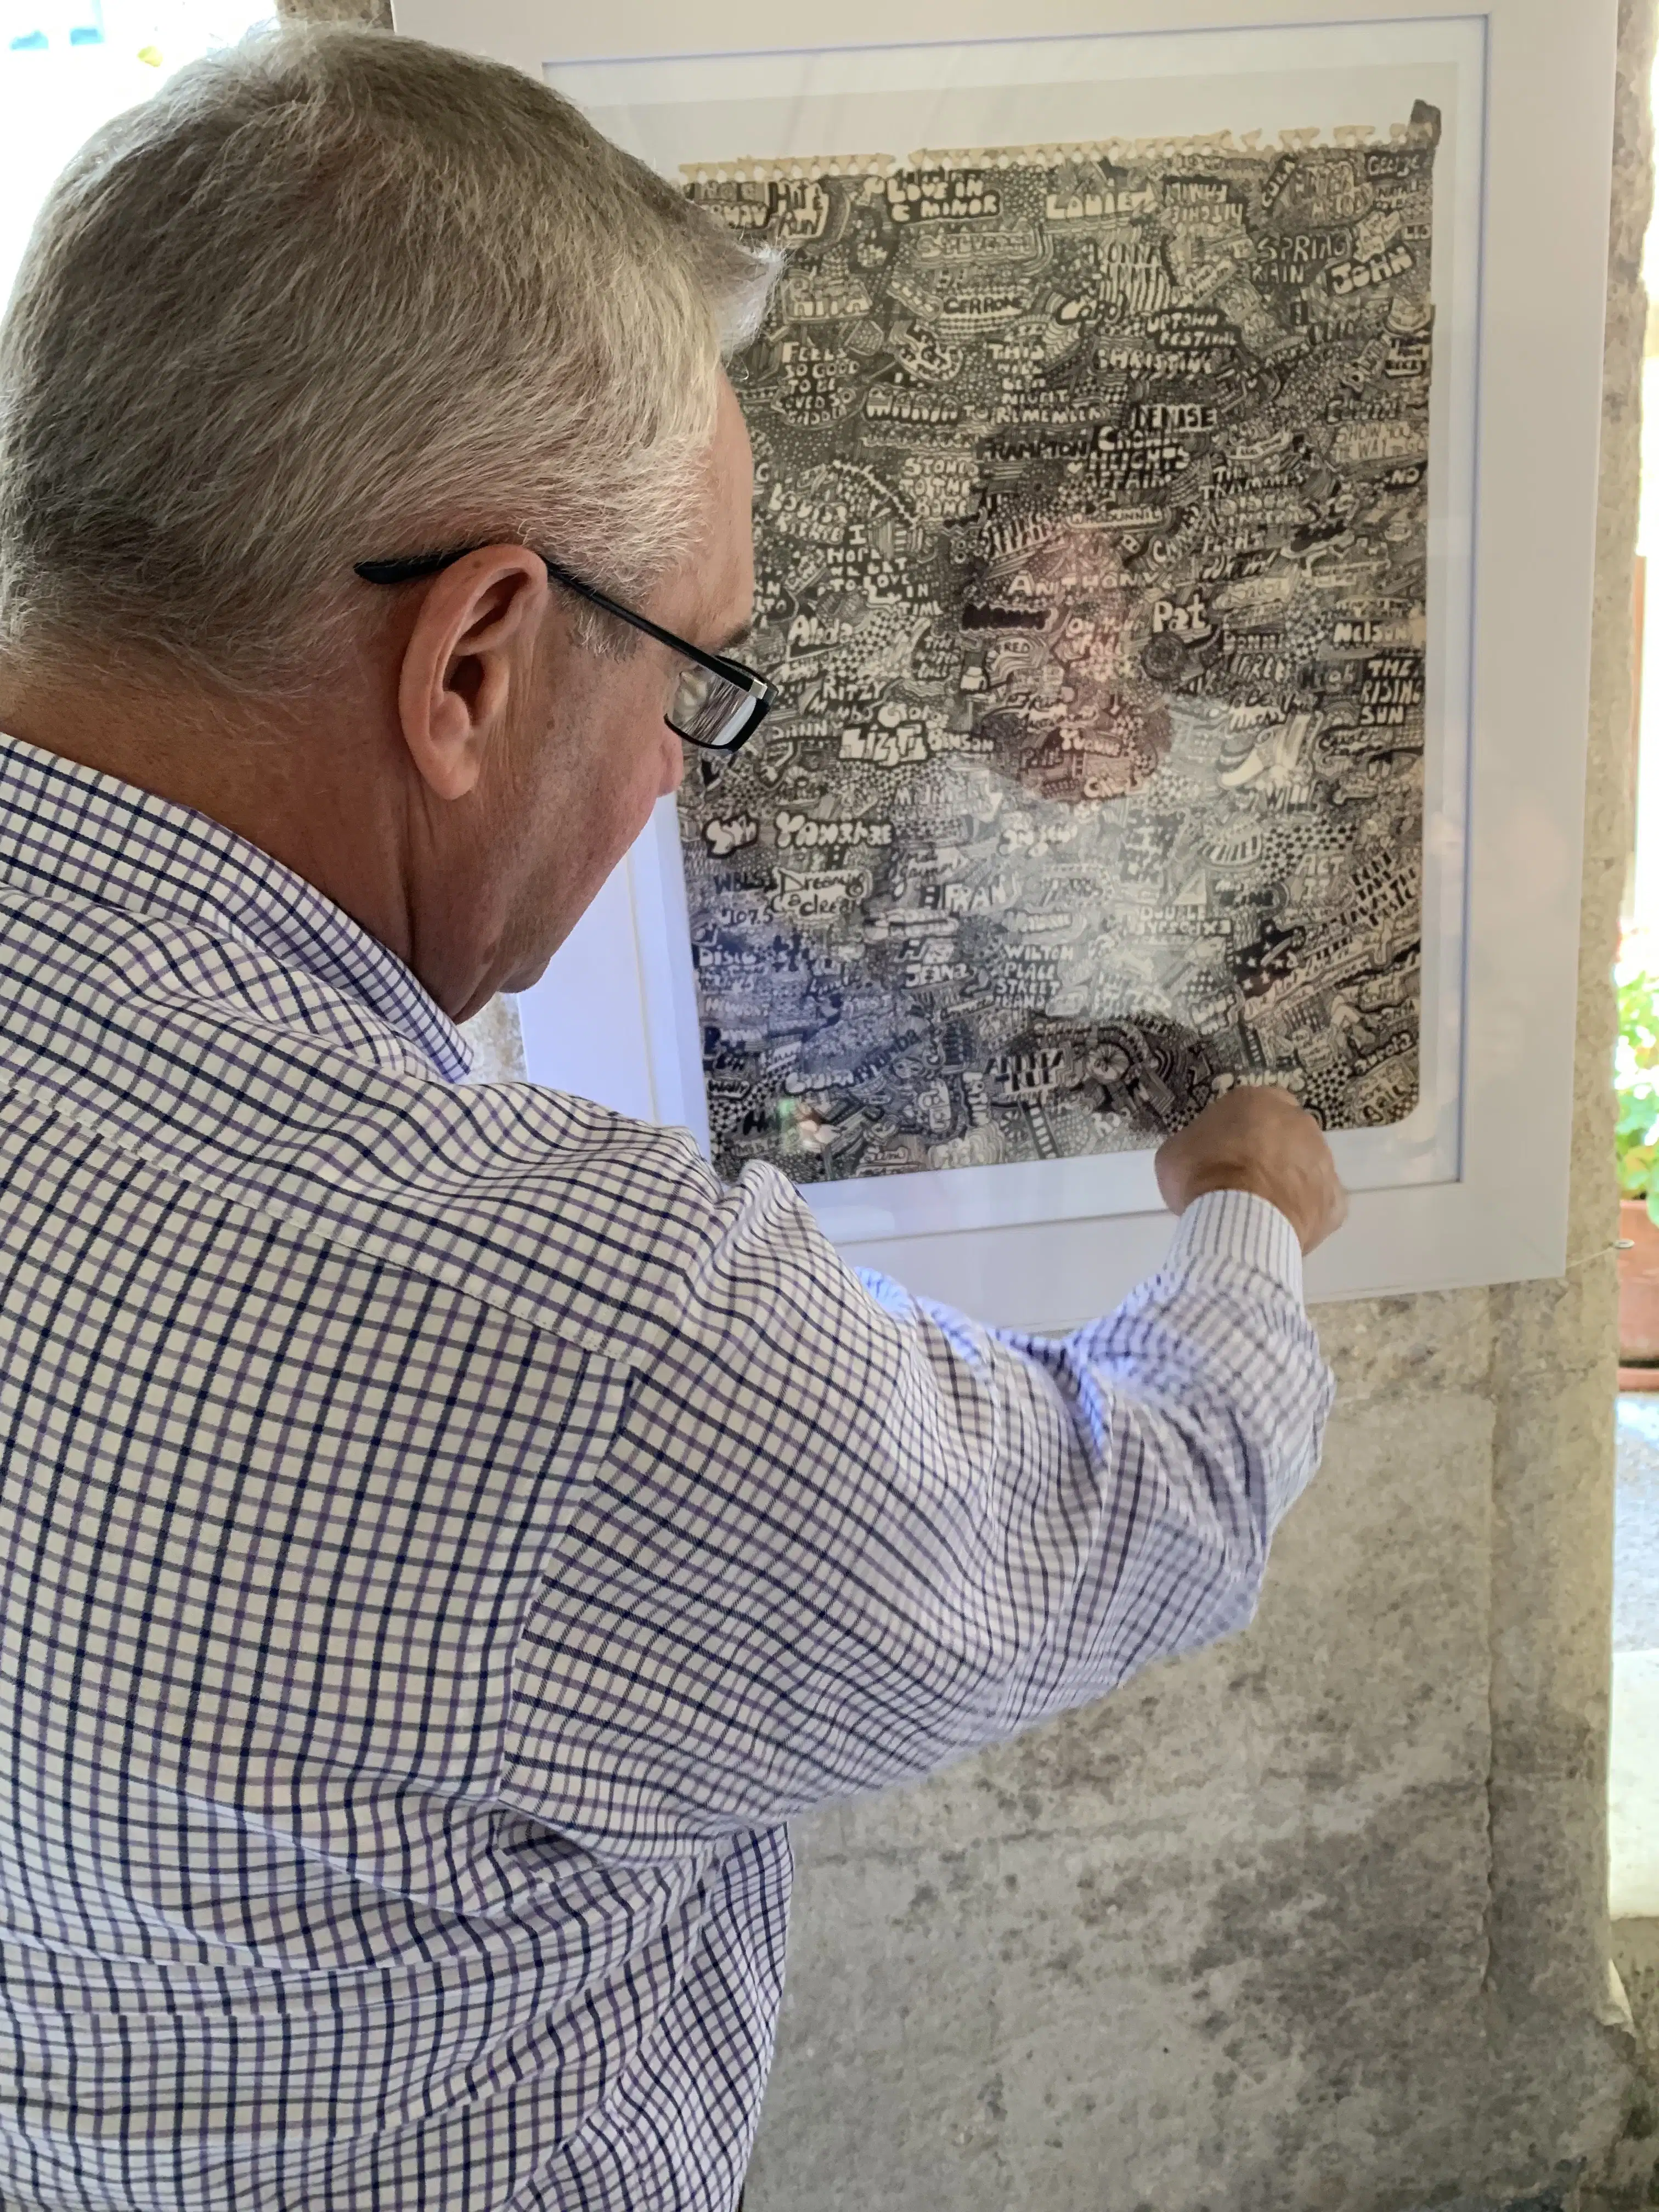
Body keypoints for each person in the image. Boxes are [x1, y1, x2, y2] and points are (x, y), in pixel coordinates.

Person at [0, 24, 1343, 2211]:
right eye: (690, 685)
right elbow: (1145, 1504)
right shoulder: (560, 1326)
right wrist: (1251, 1220)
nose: (675, 781)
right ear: (469, 667)